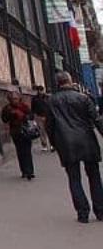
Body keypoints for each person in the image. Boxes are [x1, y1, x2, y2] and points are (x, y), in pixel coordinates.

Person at [46, 71, 103, 223]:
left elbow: (49, 125)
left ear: (58, 83)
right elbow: (96, 119)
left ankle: (82, 213)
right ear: (70, 81)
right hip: (87, 140)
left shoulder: (52, 101)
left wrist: (54, 143)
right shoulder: (83, 98)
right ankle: (100, 210)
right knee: (94, 176)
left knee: (74, 178)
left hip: (66, 143)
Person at [1, 91, 36, 180]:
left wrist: (24, 116)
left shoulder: (24, 106)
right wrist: (11, 115)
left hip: (26, 131)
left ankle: (30, 171)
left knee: (27, 151)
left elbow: (31, 116)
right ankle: (24, 171)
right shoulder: (7, 108)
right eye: (13, 99)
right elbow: (4, 119)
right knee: (20, 151)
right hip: (16, 132)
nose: (15, 100)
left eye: (16, 98)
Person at [31, 85, 54, 153]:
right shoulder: (35, 99)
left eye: (41, 90)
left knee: (49, 131)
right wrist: (34, 118)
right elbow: (33, 108)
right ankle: (44, 145)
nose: (40, 92)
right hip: (39, 116)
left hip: (47, 116)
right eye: (39, 90)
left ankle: (52, 145)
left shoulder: (47, 97)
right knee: (41, 131)